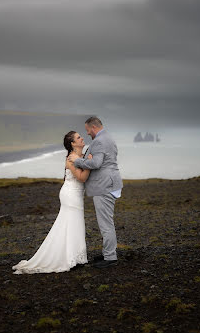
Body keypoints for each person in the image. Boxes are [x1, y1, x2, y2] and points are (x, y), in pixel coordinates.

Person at [12, 131, 92, 274]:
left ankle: (76, 256)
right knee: (73, 223)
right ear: (73, 143)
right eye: (79, 137)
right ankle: (70, 258)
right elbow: (82, 178)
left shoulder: (82, 155)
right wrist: (90, 164)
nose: (82, 138)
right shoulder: (71, 159)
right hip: (70, 194)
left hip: (76, 194)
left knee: (73, 224)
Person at [68, 116, 123, 269]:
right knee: (106, 222)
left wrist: (77, 161)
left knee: (105, 223)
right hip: (111, 183)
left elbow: (96, 163)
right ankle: (107, 253)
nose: (88, 134)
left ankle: (110, 257)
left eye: (87, 131)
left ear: (93, 128)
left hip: (104, 186)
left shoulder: (99, 141)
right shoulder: (109, 138)